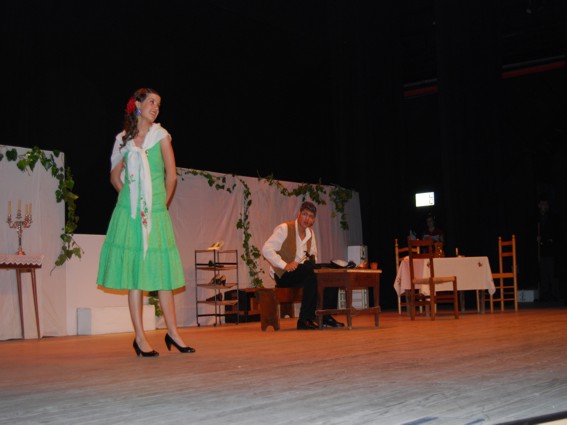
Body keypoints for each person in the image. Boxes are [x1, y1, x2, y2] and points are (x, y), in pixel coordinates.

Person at [97, 88, 195, 357]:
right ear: (137, 105)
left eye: (159, 104)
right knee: (135, 274)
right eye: (151, 102)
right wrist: (130, 200)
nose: (156, 107)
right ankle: (140, 338)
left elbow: (171, 176)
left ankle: (173, 333)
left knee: (163, 273)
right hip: (130, 214)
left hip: (156, 211)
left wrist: (159, 205)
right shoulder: (122, 140)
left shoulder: (160, 136)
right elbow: (114, 177)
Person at [262, 201, 344, 330]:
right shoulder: (285, 228)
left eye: (311, 216)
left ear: (313, 220)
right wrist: (284, 265)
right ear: (299, 214)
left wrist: (315, 266)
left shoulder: (310, 233)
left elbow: (314, 255)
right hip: (284, 275)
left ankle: (326, 315)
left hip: (303, 272)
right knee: (311, 272)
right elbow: (266, 249)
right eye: (305, 214)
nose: (307, 219)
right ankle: (304, 319)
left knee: (329, 271)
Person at [535, 197, 563, 302]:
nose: (544, 206)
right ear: (539, 205)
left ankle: (555, 294)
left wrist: (543, 238)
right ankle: (544, 295)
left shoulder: (552, 218)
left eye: (546, 204)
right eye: (542, 204)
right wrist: (537, 239)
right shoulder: (537, 218)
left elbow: (555, 234)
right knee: (543, 273)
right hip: (541, 251)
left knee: (552, 273)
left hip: (551, 251)